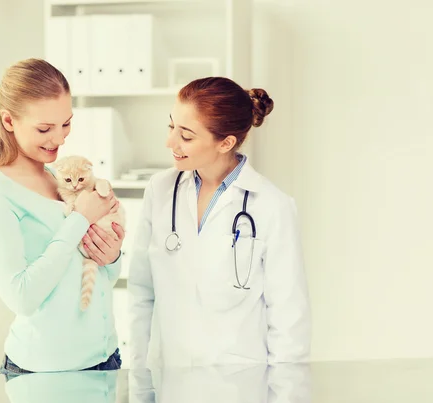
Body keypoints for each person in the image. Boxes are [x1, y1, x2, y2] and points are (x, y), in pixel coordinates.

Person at [128, 77, 311, 369]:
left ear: (226, 143)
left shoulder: (271, 206)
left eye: (186, 136)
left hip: (240, 383)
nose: (170, 142)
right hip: (170, 378)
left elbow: (288, 320)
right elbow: (141, 293)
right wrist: (138, 377)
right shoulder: (160, 190)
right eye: (171, 126)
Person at [0, 58, 125, 378]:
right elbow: (22, 297)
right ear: (9, 121)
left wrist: (112, 256)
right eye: (45, 128)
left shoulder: (59, 177)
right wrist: (79, 220)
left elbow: (101, 277)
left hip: (105, 358)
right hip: (47, 371)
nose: (60, 139)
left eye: (66, 123)